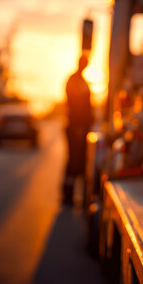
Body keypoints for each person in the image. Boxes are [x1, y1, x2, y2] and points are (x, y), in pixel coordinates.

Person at [63, 54, 93, 204]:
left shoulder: (79, 80)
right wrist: (79, 127)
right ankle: (68, 195)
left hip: (79, 126)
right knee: (75, 161)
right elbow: (77, 106)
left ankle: (75, 195)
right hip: (77, 127)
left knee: (79, 161)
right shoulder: (76, 81)